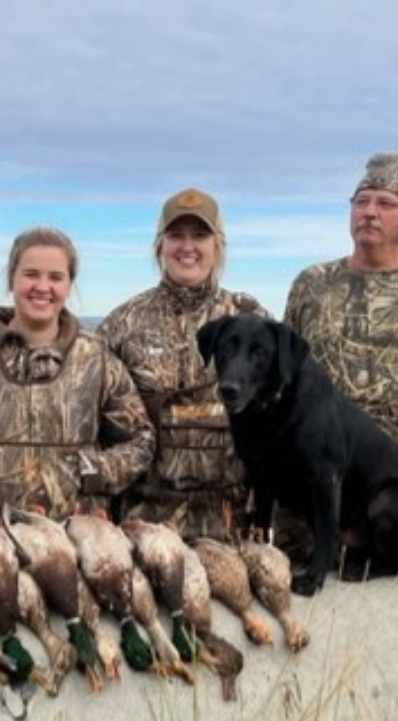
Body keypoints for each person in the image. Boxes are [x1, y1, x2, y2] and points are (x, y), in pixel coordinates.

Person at [0, 226, 154, 525]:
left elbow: (140, 440)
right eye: (31, 274)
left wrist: (94, 471)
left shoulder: (98, 361)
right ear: (12, 278)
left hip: (79, 545)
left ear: (69, 284)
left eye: (55, 277)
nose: (42, 286)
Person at [284, 151, 398, 530]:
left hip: (397, 480)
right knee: (303, 581)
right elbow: (282, 377)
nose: (370, 212)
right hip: (315, 469)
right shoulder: (311, 284)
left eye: (385, 203)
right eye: (361, 201)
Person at [98, 188, 270, 542]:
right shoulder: (121, 324)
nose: (187, 247)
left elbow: (282, 423)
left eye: (200, 235)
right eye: (176, 235)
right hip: (139, 528)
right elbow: (94, 425)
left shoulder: (255, 323)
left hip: (232, 523)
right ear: (159, 245)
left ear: (218, 244)